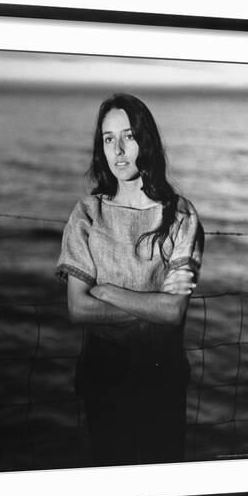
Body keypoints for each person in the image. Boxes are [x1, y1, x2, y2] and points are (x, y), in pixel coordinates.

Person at [56, 93, 204, 467]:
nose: (118, 150)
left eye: (129, 136)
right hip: (104, 376)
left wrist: (105, 291)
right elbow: (77, 308)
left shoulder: (180, 216)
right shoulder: (87, 214)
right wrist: (152, 305)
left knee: (162, 493)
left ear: (146, 141)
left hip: (162, 378)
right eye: (108, 138)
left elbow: (173, 313)